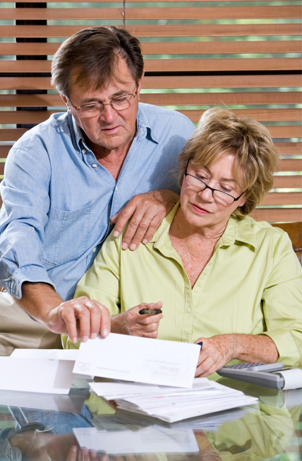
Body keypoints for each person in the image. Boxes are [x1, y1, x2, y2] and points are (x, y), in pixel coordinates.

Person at [0, 26, 194, 358]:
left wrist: (172, 198)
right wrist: (55, 312)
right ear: (67, 101)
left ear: (139, 84)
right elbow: (16, 237)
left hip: (133, 331)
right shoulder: (35, 151)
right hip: (40, 323)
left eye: (121, 98)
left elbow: (221, 204)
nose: (110, 116)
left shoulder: (178, 135)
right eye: (91, 105)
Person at [73, 108, 302, 377]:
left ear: (244, 196)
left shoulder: (270, 248)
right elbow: (74, 337)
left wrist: (232, 346)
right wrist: (119, 326)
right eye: (200, 176)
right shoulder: (131, 236)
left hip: (236, 406)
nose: (205, 195)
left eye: (225, 189)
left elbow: (296, 339)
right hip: (138, 405)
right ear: (184, 170)